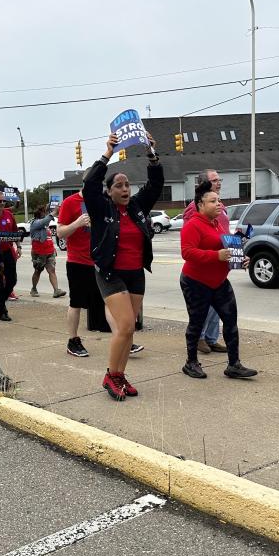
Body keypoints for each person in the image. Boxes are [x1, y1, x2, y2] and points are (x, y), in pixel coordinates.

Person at [83, 131, 163, 401]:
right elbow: (89, 183)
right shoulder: (101, 208)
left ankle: (120, 375)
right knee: (126, 325)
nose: (125, 189)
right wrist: (108, 153)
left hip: (135, 273)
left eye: (127, 184)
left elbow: (156, 184)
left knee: (130, 330)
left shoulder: (138, 207)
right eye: (118, 185)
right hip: (110, 273)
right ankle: (110, 375)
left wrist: (151, 154)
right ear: (109, 191)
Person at [179, 181, 257, 380]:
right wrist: (217, 256)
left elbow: (226, 249)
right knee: (196, 323)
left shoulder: (218, 223)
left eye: (219, 200)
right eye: (213, 201)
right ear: (200, 204)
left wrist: (240, 259)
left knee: (231, 322)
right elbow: (187, 253)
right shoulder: (193, 225)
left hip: (219, 282)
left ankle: (234, 364)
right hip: (196, 282)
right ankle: (191, 362)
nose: (219, 204)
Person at [57, 189, 108, 357]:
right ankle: (73, 341)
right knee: (76, 302)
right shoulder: (70, 202)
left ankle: (122, 338)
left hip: (101, 260)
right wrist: (76, 224)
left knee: (110, 300)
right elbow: (60, 232)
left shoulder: (102, 200)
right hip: (78, 261)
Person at [183, 170, 229, 354]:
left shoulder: (220, 206)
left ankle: (211, 338)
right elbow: (189, 244)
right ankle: (199, 338)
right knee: (203, 307)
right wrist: (214, 254)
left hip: (220, 267)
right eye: (214, 180)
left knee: (216, 308)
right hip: (202, 270)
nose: (218, 183)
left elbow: (222, 230)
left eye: (219, 180)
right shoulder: (194, 209)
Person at [0, 191, 19, 320]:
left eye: (3, 201)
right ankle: (2, 311)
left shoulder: (9, 215)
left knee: (12, 280)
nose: (2, 203)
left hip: (7, 252)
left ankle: (1, 299)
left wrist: (19, 246)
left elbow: (15, 232)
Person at [29, 205, 66, 299]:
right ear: (39, 214)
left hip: (49, 252)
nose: (46, 215)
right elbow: (44, 221)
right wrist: (53, 213)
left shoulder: (45, 226)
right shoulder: (35, 223)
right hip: (39, 252)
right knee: (38, 271)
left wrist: (53, 249)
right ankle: (33, 289)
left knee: (52, 270)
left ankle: (56, 290)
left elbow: (49, 238)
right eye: (44, 213)